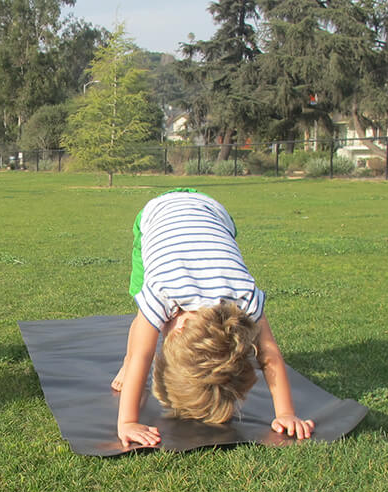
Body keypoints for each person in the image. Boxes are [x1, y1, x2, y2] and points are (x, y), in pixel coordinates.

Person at [111, 188, 314, 449]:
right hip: (156, 215)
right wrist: (127, 421)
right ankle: (123, 365)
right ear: (181, 328)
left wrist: (286, 413)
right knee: (143, 313)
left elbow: (269, 354)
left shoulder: (243, 298)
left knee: (149, 320)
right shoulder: (163, 291)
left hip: (214, 214)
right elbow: (143, 354)